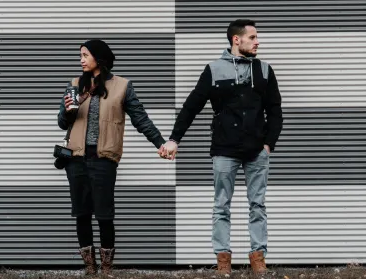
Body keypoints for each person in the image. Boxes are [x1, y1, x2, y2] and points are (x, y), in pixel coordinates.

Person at [159, 19, 283, 274]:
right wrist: (174, 139)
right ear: (236, 40)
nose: (257, 41)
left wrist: (268, 144)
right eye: (252, 37)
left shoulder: (264, 70)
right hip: (224, 150)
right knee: (221, 205)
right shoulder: (214, 70)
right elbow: (191, 106)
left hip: (256, 151)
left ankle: (258, 257)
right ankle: (223, 260)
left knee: (257, 205)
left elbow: (275, 110)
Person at [57, 39, 168, 275]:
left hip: (103, 159)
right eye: (80, 55)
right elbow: (61, 122)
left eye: (85, 55)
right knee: (81, 213)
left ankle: (106, 268)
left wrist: (160, 142)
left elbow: (141, 119)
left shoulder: (122, 86)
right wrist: (67, 112)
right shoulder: (75, 85)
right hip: (76, 160)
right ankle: (90, 267)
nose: (81, 60)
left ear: (99, 58)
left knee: (105, 214)